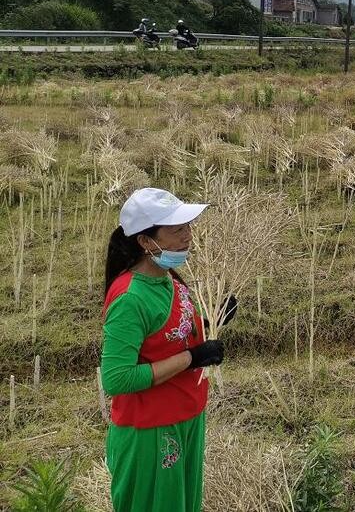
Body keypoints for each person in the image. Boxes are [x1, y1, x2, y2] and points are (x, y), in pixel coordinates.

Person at [100, 188, 224, 512]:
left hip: (186, 417)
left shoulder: (168, 278)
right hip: (151, 431)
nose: (187, 236)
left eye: (188, 227)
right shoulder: (129, 299)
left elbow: (171, 333)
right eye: (176, 229)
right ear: (145, 240)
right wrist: (191, 359)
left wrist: (212, 321)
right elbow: (118, 379)